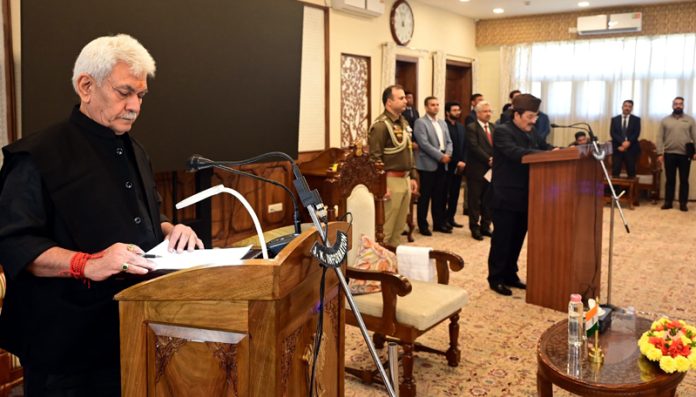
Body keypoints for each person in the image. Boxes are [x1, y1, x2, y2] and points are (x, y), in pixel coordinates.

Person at [0, 34, 203, 396]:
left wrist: (172, 230)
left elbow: (147, 215)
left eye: (140, 96)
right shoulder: (35, 156)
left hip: (131, 328)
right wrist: (88, 263)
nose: (135, 106)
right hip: (64, 345)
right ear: (86, 86)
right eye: (124, 92)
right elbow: (15, 244)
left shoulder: (134, 149)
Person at [486, 94, 555, 296]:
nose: (534, 121)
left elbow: (544, 147)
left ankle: (510, 274)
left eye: (536, 117)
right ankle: (496, 278)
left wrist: (557, 150)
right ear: (517, 114)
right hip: (504, 195)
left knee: (517, 238)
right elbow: (517, 153)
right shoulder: (501, 131)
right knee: (502, 239)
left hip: (527, 195)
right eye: (531, 116)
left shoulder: (531, 132)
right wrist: (548, 154)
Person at [368, 85, 419, 245]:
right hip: (389, 181)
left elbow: (408, 151)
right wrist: (380, 185)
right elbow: (374, 158)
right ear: (389, 102)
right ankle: (379, 267)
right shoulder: (381, 126)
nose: (406, 101)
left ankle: (392, 265)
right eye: (401, 98)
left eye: (405, 98)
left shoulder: (402, 122)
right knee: (386, 229)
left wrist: (412, 176)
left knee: (399, 228)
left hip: (404, 179)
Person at [414, 96, 452, 235]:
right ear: (426, 107)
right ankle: (423, 225)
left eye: (437, 104)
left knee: (439, 195)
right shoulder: (420, 122)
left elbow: (449, 141)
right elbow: (423, 144)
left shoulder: (442, 123)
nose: (435, 107)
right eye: (432, 105)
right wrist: (440, 156)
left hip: (443, 163)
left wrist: (447, 154)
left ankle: (438, 223)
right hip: (427, 164)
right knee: (425, 197)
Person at [657, 96, 696, 212]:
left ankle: (683, 203)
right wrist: (660, 153)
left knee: (684, 180)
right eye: (676, 104)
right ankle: (668, 202)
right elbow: (660, 138)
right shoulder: (665, 120)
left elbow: (695, 136)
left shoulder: (690, 120)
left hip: (685, 155)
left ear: (683, 106)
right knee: (670, 180)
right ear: (672, 105)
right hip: (669, 154)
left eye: (680, 104)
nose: (678, 106)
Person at [465, 101, 494, 241]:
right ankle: (474, 227)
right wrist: (489, 159)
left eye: (489, 111)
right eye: (485, 111)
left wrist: (496, 159)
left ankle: (485, 226)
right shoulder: (472, 127)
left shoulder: (494, 128)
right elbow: (474, 147)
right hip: (477, 170)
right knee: (475, 200)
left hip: (492, 171)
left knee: (488, 200)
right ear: (478, 113)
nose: (488, 114)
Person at [443, 101, 467, 229]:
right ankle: (443, 219)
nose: (457, 112)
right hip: (447, 165)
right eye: (454, 110)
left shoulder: (461, 127)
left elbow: (464, 146)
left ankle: (451, 217)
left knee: (455, 194)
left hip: (460, 166)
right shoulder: (443, 126)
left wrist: (463, 161)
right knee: (444, 194)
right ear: (447, 112)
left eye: (459, 110)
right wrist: (455, 161)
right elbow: (444, 147)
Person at [610, 100, 641, 178]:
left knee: (631, 172)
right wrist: (622, 143)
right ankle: (616, 190)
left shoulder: (636, 119)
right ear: (622, 107)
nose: (627, 108)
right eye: (626, 106)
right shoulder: (615, 119)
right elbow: (613, 133)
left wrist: (628, 143)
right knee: (615, 172)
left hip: (631, 149)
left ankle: (630, 190)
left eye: (629, 107)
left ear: (632, 108)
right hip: (618, 148)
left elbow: (636, 133)